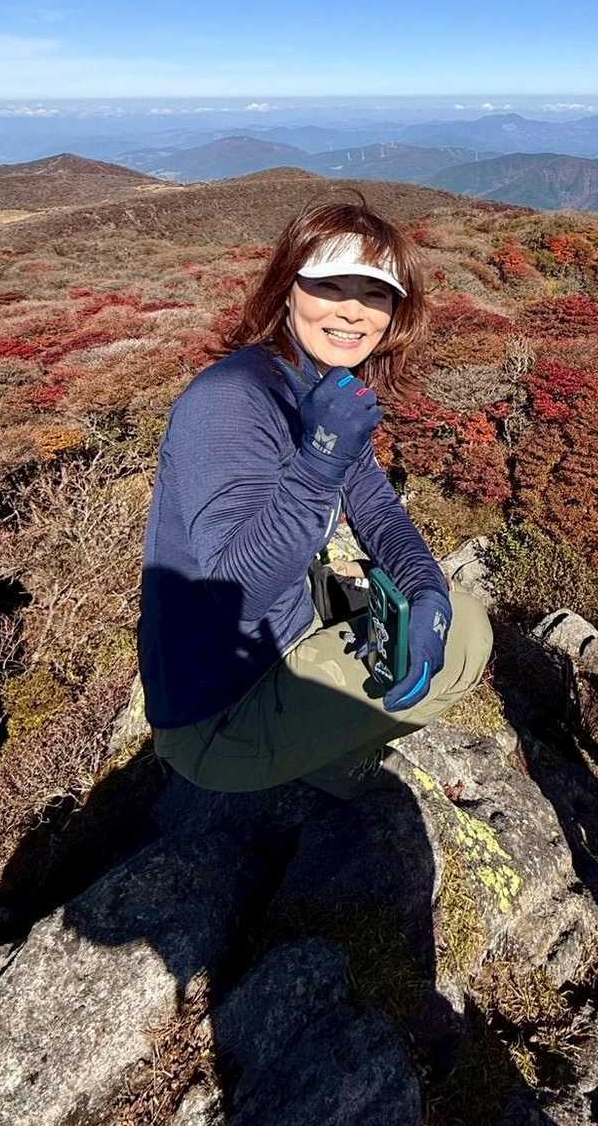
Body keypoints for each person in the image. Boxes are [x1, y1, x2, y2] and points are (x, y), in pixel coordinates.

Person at [137, 198, 492, 795]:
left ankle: (319, 739)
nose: (353, 311)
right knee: (471, 635)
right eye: (329, 286)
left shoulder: (316, 383)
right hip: (219, 713)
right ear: (287, 290)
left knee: (439, 609)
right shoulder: (229, 400)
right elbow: (237, 596)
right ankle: (327, 761)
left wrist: (426, 589)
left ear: (395, 311)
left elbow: (375, 506)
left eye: (375, 293)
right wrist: (321, 457)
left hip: (282, 636)